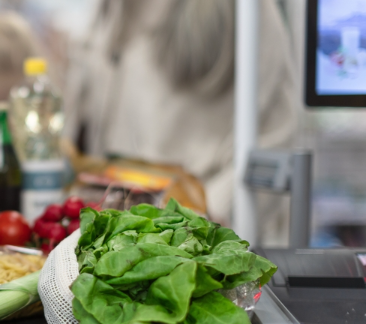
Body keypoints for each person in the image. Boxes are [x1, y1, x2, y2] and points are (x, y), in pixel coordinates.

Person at [64, 0, 297, 246]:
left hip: (198, 239)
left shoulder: (250, 10)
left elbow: (274, 135)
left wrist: (201, 223)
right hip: (125, 234)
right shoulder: (109, 12)